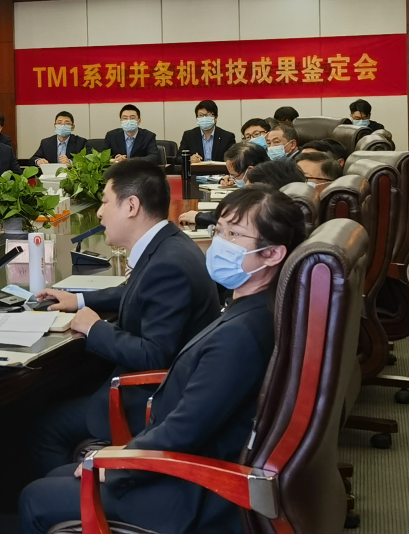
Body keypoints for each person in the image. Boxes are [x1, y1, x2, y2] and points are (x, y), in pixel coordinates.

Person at [20, 186, 306, 534]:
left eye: (234, 235)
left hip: (192, 494)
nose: (220, 243)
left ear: (272, 254)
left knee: (35, 497)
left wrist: (120, 462)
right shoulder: (259, 307)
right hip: (190, 462)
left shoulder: (241, 335)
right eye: (219, 230)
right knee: (56, 476)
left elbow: (186, 430)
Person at [29, 160, 221, 477]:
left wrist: (95, 328)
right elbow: (139, 293)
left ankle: (77, 496)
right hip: (161, 385)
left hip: (153, 400)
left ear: (131, 206)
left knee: (44, 427)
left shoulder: (167, 265)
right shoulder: (169, 243)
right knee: (56, 390)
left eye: (105, 202)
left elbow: (154, 355)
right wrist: (78, 300)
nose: (99, 213)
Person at [178, 141, 268, 228]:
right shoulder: (266, 176)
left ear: (250, 170)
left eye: (234, 175)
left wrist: (198, 217)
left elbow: (234, 216)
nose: (233, 179)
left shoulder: (266, 191)